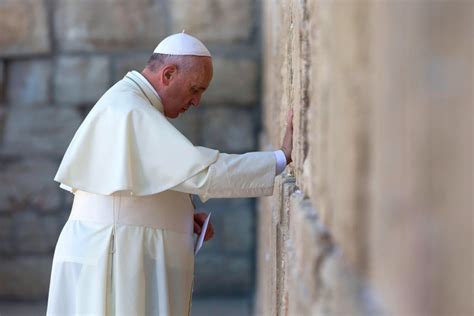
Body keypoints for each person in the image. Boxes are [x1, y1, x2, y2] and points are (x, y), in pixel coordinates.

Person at [46, 32, 293, 316]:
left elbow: (135, 188)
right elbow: (204, 172)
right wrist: (280, 158)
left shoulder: (130, 102)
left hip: (111, 251)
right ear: (168, 74)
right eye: (195, 89)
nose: (196, 101)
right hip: (110, 259)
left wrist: (178, 216)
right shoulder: (130, 111)